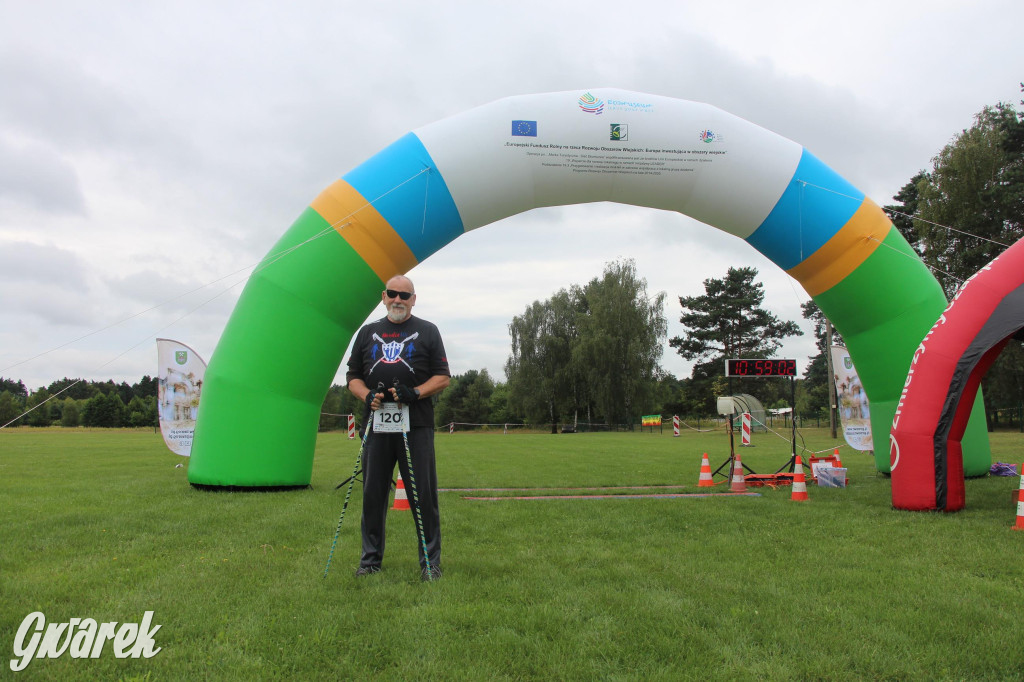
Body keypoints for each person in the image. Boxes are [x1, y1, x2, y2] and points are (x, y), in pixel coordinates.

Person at [346, 275, 450, 581]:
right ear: (383, 296)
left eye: (404, 295)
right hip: (377, 425)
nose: (398, 300)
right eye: (392, 294)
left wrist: (415, 392)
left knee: (423, 496)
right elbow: (353, 376)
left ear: (414, 299)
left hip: (415, 425)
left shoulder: (428, 331)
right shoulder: (367, 333)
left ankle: (430, 564)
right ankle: (369, 561)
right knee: (372, 493)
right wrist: (367, 396)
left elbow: (443, 377)